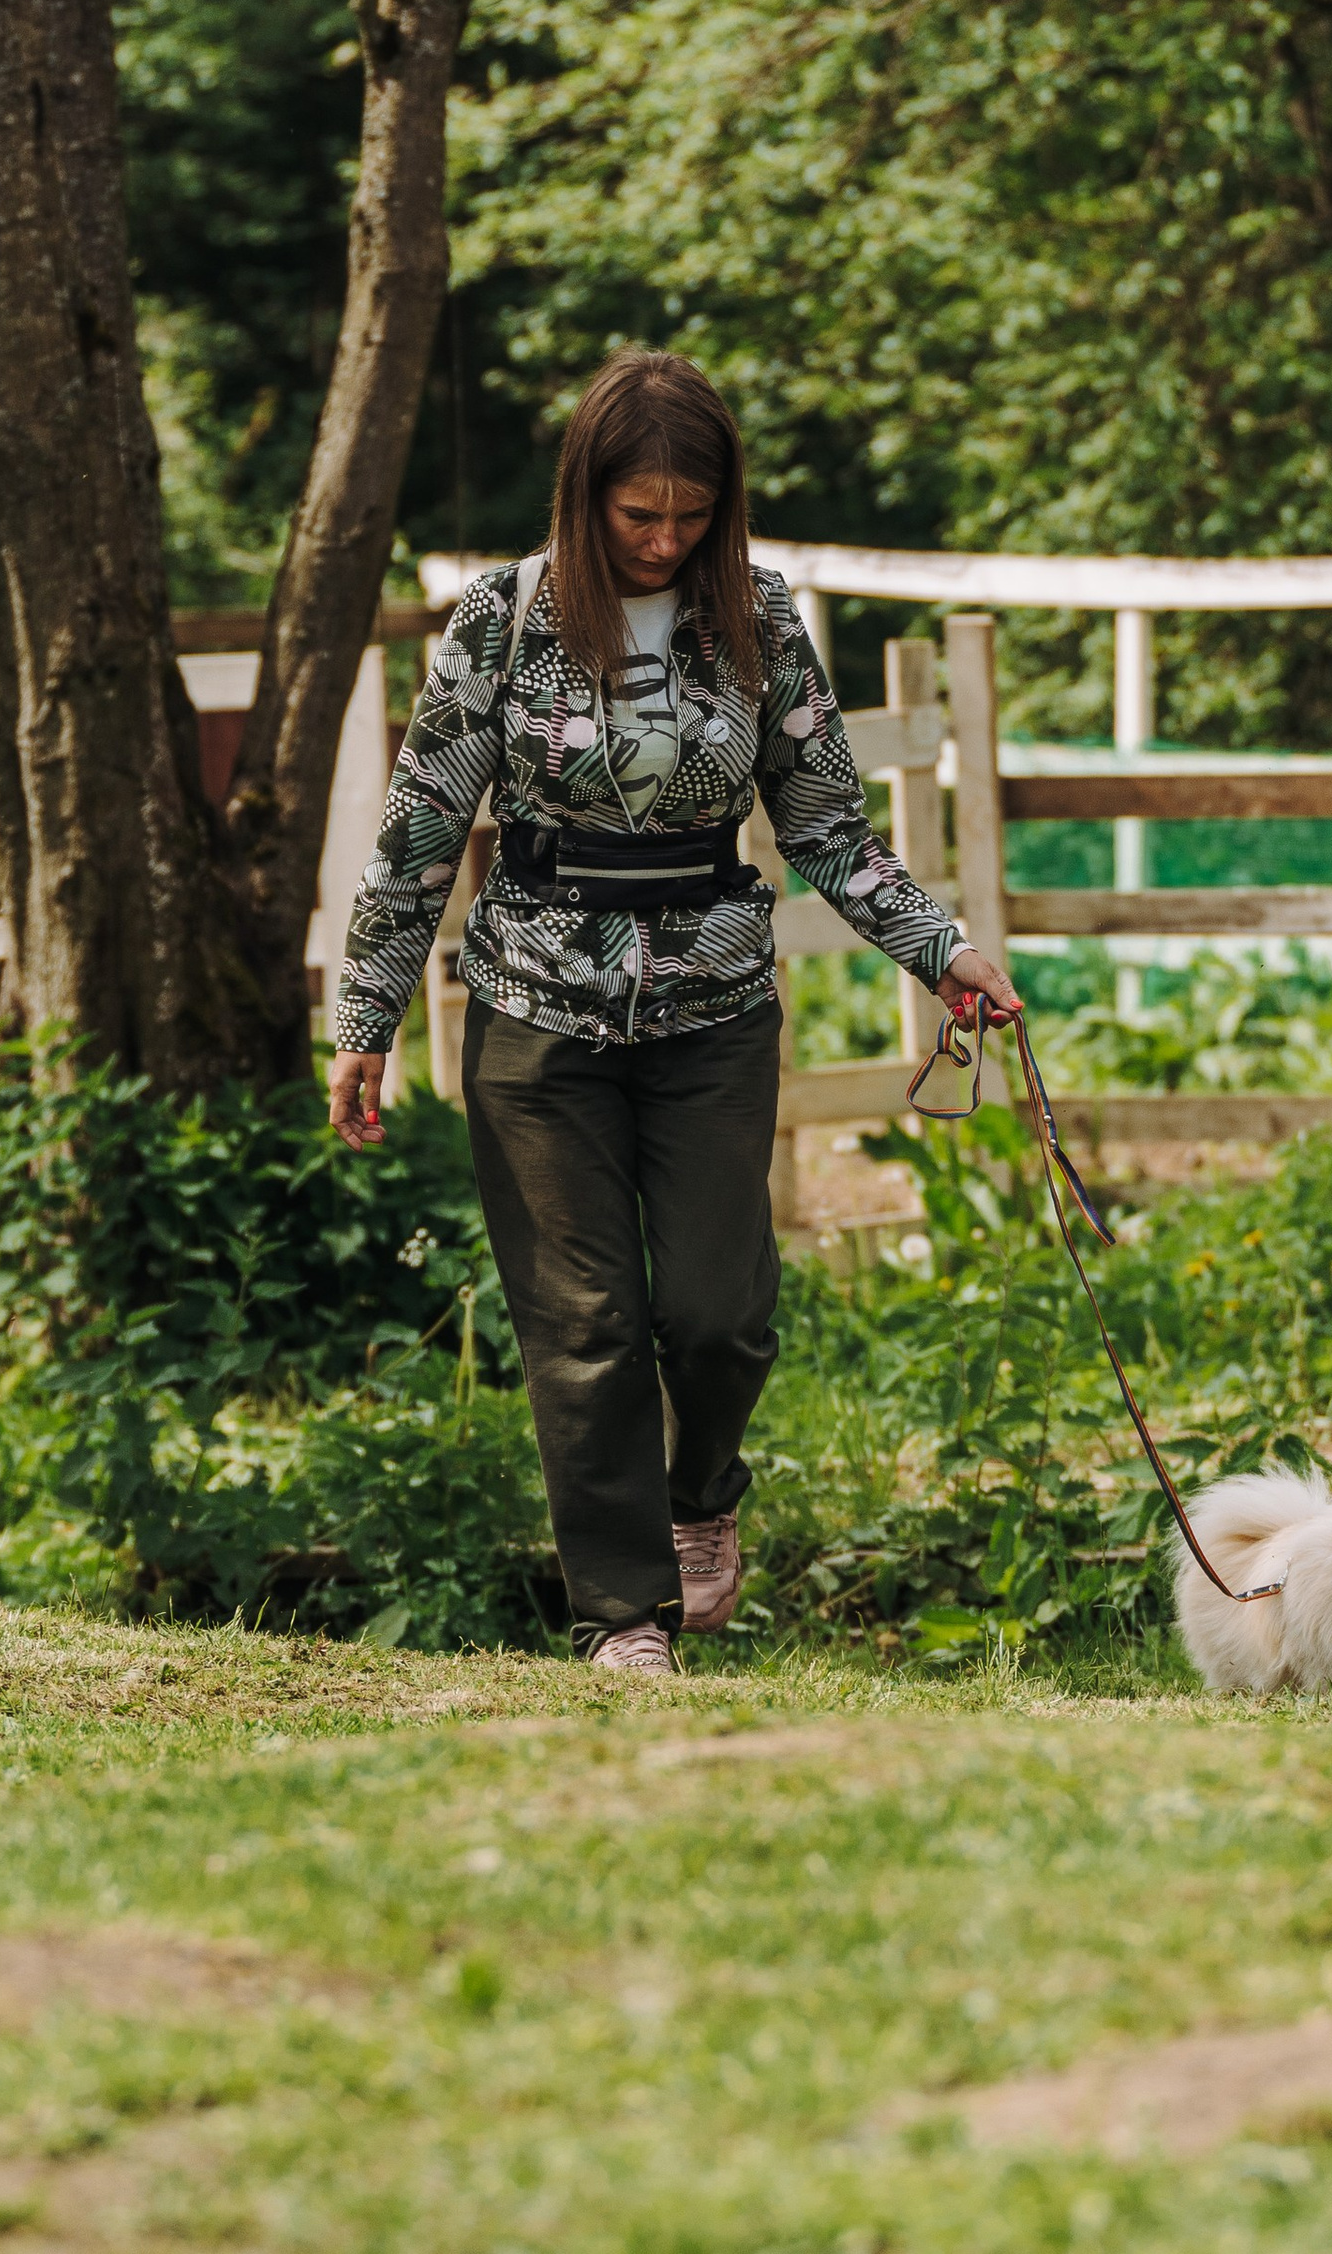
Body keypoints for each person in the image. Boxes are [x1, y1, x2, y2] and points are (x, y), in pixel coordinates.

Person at [324, 348, 1020, 1676]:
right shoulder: (503, 617)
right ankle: (622, 1617)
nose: (661, 539)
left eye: (689, 515)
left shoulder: (757, 615)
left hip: (711, 1006)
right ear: (584, 496)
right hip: (532, 1011)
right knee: (582, 1321)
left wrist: (944, 950)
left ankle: (704, 1495)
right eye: (636, 514)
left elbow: (826, 827)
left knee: (715, 1312)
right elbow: (419, 828)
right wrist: (364, 1015)